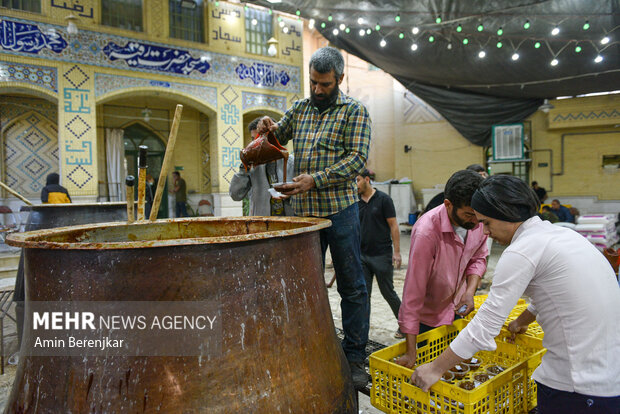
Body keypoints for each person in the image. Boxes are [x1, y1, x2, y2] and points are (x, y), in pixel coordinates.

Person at [410, 175, 620, 414]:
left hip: (576, 387)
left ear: (506, 213)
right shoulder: (562, 236)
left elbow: (485, 326)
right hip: (609, 379)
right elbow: (557, 295)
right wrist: (521, 321)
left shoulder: (521, 251)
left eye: (487, 223)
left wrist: (435, 368)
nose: (486, 233)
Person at [257, 46, 371, 388]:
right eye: (314, 83)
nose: (318, 90)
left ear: (339, 79)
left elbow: (355, 160)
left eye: (325, 84)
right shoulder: (301, 109)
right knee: (303, 286)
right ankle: (311, 347)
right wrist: (268, 130)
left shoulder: (355, 112)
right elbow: (277, 138)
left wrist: (314, 180)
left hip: (341, 212)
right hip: (305, 216)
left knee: (352, 287)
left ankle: (354, 357)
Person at [396, 169, 488, 368]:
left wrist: (469, 292)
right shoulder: (427, 233)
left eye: (478, 216)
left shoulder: (477, 222)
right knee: (427, 374)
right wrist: (411, 352)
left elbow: (479, 258)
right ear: (448, 204)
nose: (475, 222)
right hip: (427, 320)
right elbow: (413, 294)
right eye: (469, 215)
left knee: (452, 374)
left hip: (456, 311)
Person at [356, 169, 403, 339]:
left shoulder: (384, 200)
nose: (356, 185)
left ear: (367, 179)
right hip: (362, 256)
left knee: (388, 291)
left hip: (382, 255)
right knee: (363, 295)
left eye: (358, 180)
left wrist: (396, 252)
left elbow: (394, 226)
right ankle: (362, 332)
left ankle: (405, 325)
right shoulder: (356, 202)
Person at [229, 117, 295, 216]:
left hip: (290, 224)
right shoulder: (253, 166)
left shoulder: (291, 162)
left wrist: (290, 195)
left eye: (261, 138)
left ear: (274, 137)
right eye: (254, 140)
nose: (257, 144)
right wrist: (244, 167)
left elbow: (305, 194)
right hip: (261, 223)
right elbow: (236, 195)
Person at [423, 164, 488, 214]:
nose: (483, 178)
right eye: (479, 175)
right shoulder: (442, 200)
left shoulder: (484, 199)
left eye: (484, 174)